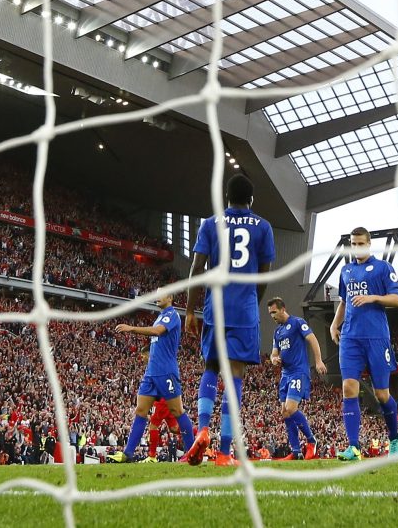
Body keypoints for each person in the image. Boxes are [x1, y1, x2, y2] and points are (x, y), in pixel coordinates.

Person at [185, 174, 275, 467]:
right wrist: (252, 301)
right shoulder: (263, 227)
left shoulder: (210, 224)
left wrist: (189, 309)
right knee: (235, 374)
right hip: (244, 309)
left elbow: (197, 267)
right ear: (251, 200)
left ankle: (202, 429)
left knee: (211, 367)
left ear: (226, 197)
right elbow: (263, 275)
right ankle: (224, 452)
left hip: (216, 307)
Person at [329, 227, 398, 461]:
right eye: (353, 243)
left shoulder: (383, 268)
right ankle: (353, 447)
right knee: (349, 388)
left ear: (369, 244)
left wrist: (373, 297)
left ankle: (394, 438)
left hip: (376, 338)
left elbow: (397, 299)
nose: (357, 247)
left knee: (382, 394)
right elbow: (343, 302)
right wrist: (334, 325)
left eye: (361, 243)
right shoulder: (346, 271)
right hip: (350, 338)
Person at [109, 291, 195, 463]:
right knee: (140, 411)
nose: (157, 297)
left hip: (166, 371)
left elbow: (157, 331)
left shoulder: (172, 315)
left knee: (177, 411)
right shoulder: (160, 316)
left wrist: (132, 328)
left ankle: (192, 453)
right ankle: (128, 454)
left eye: (161, 294)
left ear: (170, 297)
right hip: (151, 373)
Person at [268, 297, 327, 460]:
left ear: (282, 309)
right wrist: (274, 359)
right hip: (285, 374)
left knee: (291, 408)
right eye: (270, 313)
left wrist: (318, 360)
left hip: (298, 372)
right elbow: (274, 353)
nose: (272, 316)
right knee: (285, 413)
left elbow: (312, 339)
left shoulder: (297, 323)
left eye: (274, 312)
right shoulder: (277, 332)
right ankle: (295, 451)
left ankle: (311, 440)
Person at [143, 398, 179, 463]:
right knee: (174, 429)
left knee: (153, 427)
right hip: (170, 400)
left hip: (160, 401)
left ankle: (152, 456)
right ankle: (192, 442)